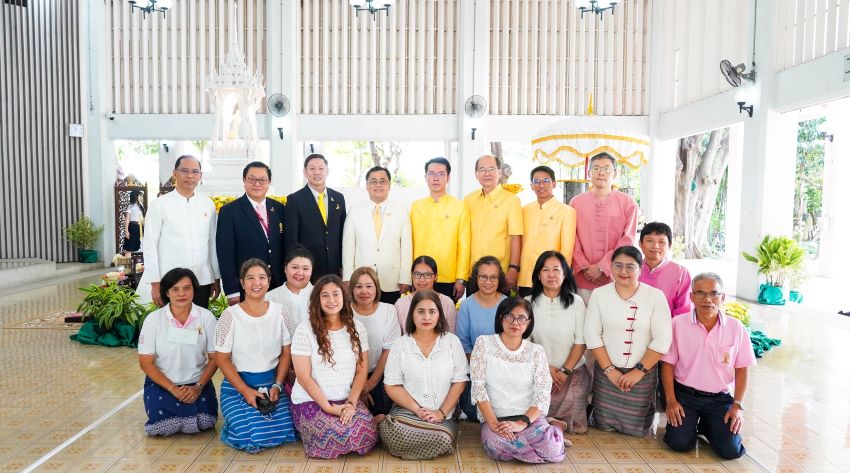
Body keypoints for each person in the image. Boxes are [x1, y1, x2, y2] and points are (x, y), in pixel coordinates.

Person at [661, 273, 755, 459]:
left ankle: (707, 424)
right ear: (691, 297)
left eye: (713, 293)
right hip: (685, 396)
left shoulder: (736, 327)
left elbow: (742, 369)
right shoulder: (677, 324)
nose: (707, 299)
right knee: (679, 443)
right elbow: (667, 365)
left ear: (723, 297)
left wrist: (737, 406)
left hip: (720, 399)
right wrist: (671, 401)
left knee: (731, 451)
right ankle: (696, 423)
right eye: (700, 293)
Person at [584, 246, 673, 437]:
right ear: (611, 267)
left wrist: (638, 372)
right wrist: (610, 371)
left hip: (642, 373)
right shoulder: (599, 294)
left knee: (637, 430)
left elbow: (662, 339)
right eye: (618, 265)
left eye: (630, 267)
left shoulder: (655, 296)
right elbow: (592, 335)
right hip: (607, 372)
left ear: (641, 269)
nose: (623, 271)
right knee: (603, 424)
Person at [290, 275, 378, 459]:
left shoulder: (357, 328)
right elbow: (303, 377)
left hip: (346, 399)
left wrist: (351, 403)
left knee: (367, 433)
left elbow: (361, 371)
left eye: (336, 294)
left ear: (344, 297)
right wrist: (328, 407)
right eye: (325, 295)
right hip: (312, 401)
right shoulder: (305, 330)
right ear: (317, 300)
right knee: (337, 434)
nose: (331, 300)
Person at [215, 259, 297, 452]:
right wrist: (246, 391)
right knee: (250, 435)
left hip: (272, 384)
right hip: (238, 386)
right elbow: (221, 359)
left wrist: (278, 385)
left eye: (262, 277)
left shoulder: (280, 312)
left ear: (269, 281)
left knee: (289, 428)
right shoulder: (230, 315)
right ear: (242, 283)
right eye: (250, 278)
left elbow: (287, 352)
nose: (256, 283)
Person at [470, 297, 566, 463]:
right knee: (495, 446)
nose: (515, 322)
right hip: (496, 418)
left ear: (528, 322)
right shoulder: (484, 343)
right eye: (509, 316)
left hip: (528, 418)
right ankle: (541, 438)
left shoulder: (536, 351)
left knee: (552, 448)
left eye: (522, 318)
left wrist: (522, 423)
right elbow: (478, 387)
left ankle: (553, 430)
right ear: (501, 318)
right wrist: (493, 424)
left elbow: (543, 393)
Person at [379, 290, 469, 460]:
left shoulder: (451, 341)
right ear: (412, 314)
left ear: (439, 314)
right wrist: (417, 410)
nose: (426, 317)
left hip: (443, 412)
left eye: (432, 311)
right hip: (408, 410)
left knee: (443, 438)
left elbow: (460, 381)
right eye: (421, 311)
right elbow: (391, 385)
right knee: (395, 432)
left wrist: (441, 412)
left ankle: (415, 441)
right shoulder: (401, 344)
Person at [138, 268, 219, 436]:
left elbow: (214, 358)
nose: (181, 294)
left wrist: (198, 387)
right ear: (167, 292)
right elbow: (146, 362)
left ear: (194, 290)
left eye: (187, 288)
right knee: (160, 427)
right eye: (175, 289)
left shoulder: (206, 317)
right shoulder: (154, 320)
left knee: (206, 422)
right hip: (163, 384)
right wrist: (173, 389)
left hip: (197, 384)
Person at [140, 155, 220, 308]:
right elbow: (150, 244)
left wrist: (215, 276)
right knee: (172, 321)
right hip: (170, 281)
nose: (190, 176)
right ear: (175, 173)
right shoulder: (159, 205)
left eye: (195, 171)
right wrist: (155, 282)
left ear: (200, 175)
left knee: (199, 320)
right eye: (184, 171)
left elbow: (212, 243)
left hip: (202, 279)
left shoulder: (207, 204)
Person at [527, 251, 589, 434]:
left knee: (577, 429)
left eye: (556, 269)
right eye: (545, 270)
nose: (551, 274)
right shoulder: (527, 303)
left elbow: (581, 341)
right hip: (539, 373)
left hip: (572, 373)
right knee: (533, 420)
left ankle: (551, 427)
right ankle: (549, 428)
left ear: (565, 274)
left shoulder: (576, 302)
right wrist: (545, 369)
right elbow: (525, 344)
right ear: (538, 275)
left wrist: (564, 372)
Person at [570, 152, 638, 304]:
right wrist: (585, 266)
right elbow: (572, 238)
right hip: (583, 277)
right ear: (589, 173)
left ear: (615, 174)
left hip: (614, 276)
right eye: (596, 168)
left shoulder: (628, 203)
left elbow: (628, 239)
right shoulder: (576, 202)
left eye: (606, 169)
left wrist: (603, 266)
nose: (601, 172)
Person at [217, 162, 286, 305]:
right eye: (252, 179)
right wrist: (232, 291)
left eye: (262, 180)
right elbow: (225, 254)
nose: (257, 184)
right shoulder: (229, 211)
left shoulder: (279, 208)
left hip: (277, 284)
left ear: (269, 182)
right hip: (247, 285)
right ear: (244, 180)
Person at [342, 166, 412, 304]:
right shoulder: (355, 211)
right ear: (367, 186)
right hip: (361, 280)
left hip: (392, 280)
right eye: (373, 181)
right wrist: (348, 276)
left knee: (389, 314)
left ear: (389, 185)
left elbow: (406, 247)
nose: (378, 185)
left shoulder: (401, 211)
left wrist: (405, 278)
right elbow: (348, 246)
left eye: (382, 181)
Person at [410, 157, 471, 301]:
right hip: (421, 276)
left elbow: (464, 245)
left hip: (448, 276)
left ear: (448, 178)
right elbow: (410, 243)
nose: (436, 178)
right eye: (431, 173)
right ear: (425, 177)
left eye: (441, 174)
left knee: (446, 313)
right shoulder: (416, 206)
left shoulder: (459, 206)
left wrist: (461, 278)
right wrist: (410, 276)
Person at [456, 255, 508, 420]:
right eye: (483, 277)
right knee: (474, 414)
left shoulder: (507, 304)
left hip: (504, 369)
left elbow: (512, 341)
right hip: (475, 369)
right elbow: (463, 343)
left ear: (499, 279)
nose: (488, 282)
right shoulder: (467, 305)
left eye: (493, 277)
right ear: (476, 278)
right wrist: (480, 369)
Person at [284, 154, 347, 282]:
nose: (317, 172)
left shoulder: (338, 198)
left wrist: (343, 266)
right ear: (305, 172)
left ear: (327, 171)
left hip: (334, 268)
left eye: (321, 168)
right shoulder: (294, 200)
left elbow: (343, 235)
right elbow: (292, 239)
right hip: (308, 269)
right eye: (312, 169)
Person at [349, 267, 401, 417]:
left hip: (379, 372)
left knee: (381, 410)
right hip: (349, 374)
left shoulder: (388, 310)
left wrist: (370, 383)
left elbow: (388, 350)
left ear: (377, 288)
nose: (364, 291)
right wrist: (359, 385)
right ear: (352, 289)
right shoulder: (344, 312)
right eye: (359, 286)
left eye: (369, 286)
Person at [464, 155, 523, 289]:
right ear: (476, 174)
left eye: (491, 169)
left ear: (500, 172)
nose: (487, 173)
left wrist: (513, 269)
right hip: (473, 273)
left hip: (499, 273)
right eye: (482, 170)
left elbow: (516, 237)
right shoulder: (469, 200)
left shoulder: (512, 201)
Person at [518, 166, 576, 296]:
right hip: (525, 276)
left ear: (554, 184)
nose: (541, 185)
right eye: (536, 181)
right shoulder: (524, 210)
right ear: (531, 186)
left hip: (551, 278)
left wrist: (561, 276)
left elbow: (567, 251)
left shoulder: (567, 212)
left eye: (546, 181)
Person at [638, 222, 693, 316]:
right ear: (640, 244)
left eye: (661, 242)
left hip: (668, 324)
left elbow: (684, 311)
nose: (655, 246)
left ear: (670, 245)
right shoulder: (630, 269)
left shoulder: (681, 273)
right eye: (650, 241)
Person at [394, 255, 458, 333]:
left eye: (427, 275)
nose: (422, 279)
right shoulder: (401, 304)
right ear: (412, 276)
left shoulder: (447, 303)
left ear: (435, 277)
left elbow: (452, 335)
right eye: (417, 274)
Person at [266, 245, 314, 336]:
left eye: (305, 269)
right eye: (295, 267)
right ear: (285, 268)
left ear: (311, 271)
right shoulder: (269, 298)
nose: (300, 273)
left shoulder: (320, 295)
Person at [123, 189, 145, 256]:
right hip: (133, 227)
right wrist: (126, 231)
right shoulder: (131, 206)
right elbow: (127, 219)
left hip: (140, 227)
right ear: (136, 196)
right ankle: (127, 263)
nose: (141, 197)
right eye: (140, 195)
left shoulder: (141, 205)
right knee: (129, 248)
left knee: (139, 246)